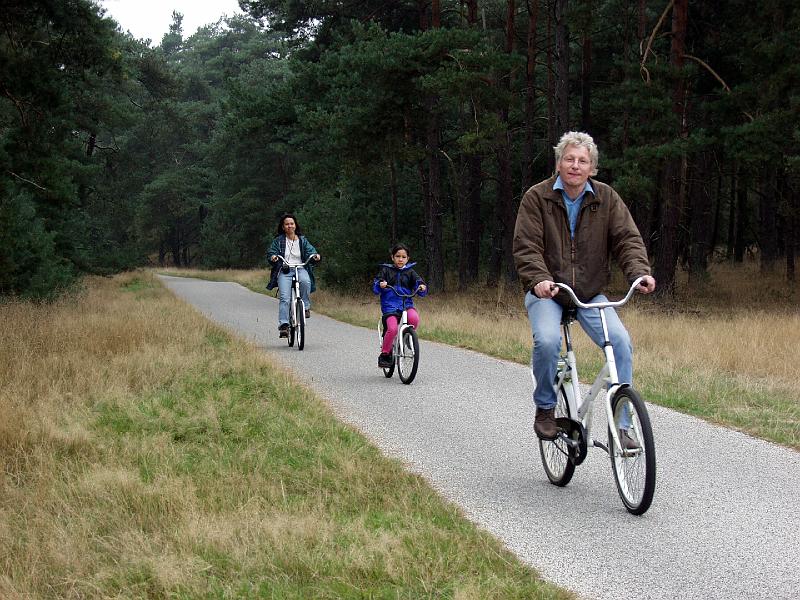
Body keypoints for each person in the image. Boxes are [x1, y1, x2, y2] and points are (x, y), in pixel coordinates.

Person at [512, 131, 656, 447]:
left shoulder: (606, 198)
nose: (575, 166)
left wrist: (639, 273)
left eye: (583, 161)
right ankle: (546, 408)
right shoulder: (537, 198)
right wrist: (539, 280)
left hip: (590, 294)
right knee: (548, 342)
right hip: (548, 291)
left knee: (619, 342)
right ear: (559, 163)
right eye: (570, 159)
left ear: (592, 167)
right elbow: (526, 246)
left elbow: (627, 240)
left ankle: (623, 425)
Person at [372, 244, 427, 368]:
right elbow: (376, 285)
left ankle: (407, 336)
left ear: (408, 258)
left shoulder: (410, 272)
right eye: (397, 256)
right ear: (392, 257)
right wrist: (380, 284)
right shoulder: (386, 270)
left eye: (403, 257)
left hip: (406, 303)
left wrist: (422, 287)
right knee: (392, 329)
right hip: (390, 305)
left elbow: (419, 283)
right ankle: (385, 354)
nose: (400, 259)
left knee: (414, 318)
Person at [267, 213, 321, 337]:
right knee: (285, 297)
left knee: (306, 282)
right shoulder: (279, 240)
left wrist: (315, 256)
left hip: (300, 268)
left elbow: (311, 251)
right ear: (283, 227)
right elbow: (271, 252)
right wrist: (273, 257)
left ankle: (305, 307)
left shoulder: (302, 240)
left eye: (292, 223)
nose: (289, 226)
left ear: (295, 225)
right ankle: (284, 325)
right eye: (287, 224)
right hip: (284, 270)